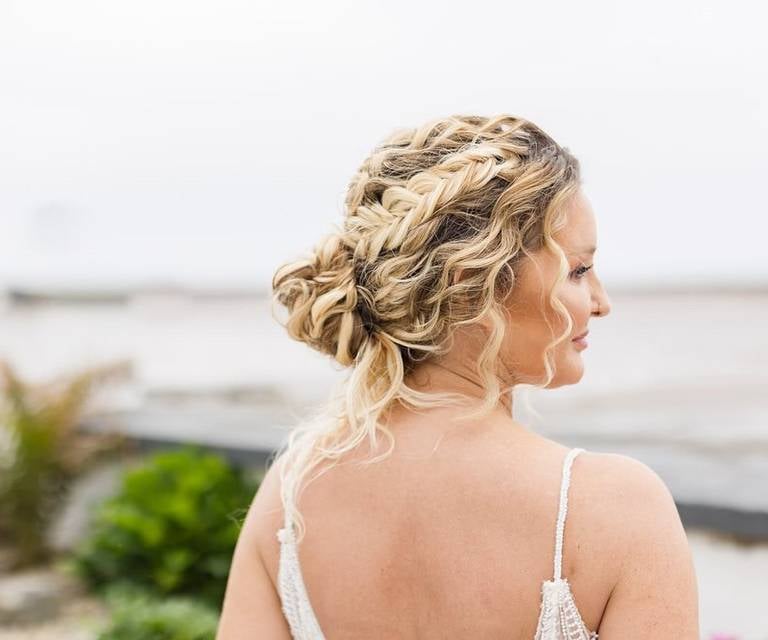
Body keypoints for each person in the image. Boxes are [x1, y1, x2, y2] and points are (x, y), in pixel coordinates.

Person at [216, 114, 699, 638]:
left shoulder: (292, 495)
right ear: (473, 285)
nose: (601, 303)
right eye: (578, 271)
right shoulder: (613, 508)